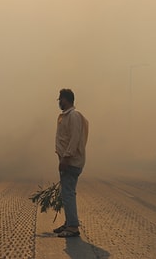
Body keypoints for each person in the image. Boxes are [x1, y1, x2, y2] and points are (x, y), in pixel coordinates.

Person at [53, 88, 89, 238]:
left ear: (66, 99)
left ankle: (73, 226)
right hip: (68, 161)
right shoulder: (66, 116)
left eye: (60, 99)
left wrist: (66, 158)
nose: (59, 102)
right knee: (66, 193)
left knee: (68, 194)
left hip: (71, 162)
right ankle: (69, 223)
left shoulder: (73, 116)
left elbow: (74, 139)